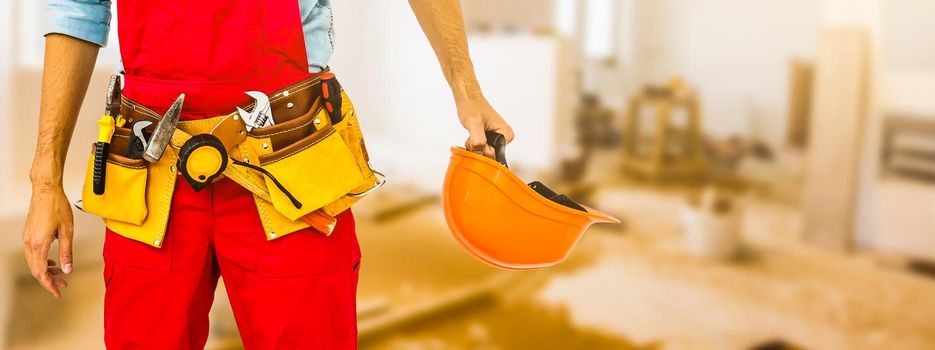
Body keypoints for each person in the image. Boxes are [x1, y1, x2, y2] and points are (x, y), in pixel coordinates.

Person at [20, 0, 513, 348]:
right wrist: (46, 179)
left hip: (290, 158)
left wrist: (467, 89)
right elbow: (77, 9)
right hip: (152, 172)